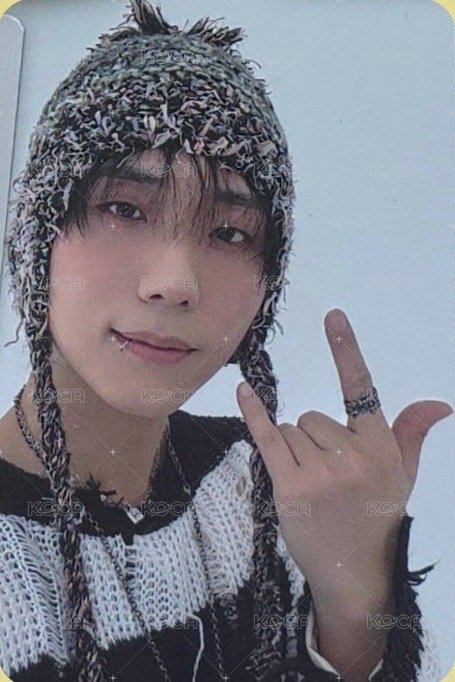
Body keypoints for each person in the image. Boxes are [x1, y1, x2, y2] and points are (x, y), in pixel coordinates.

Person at [0, 1, 444, 680]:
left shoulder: (272, 491)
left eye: (230, 232)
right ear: (39, 238)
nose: (175, 284)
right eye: (124, 208)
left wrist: (355, 587)